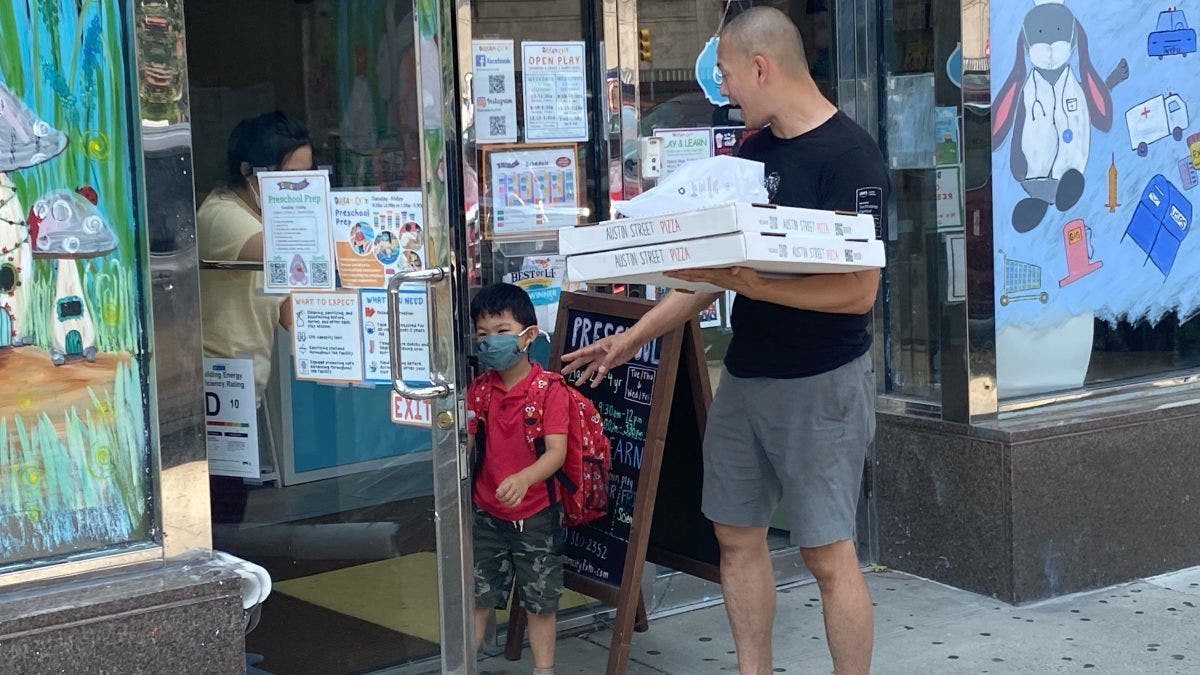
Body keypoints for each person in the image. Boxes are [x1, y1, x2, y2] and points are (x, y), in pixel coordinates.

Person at [561, 8, 887, 675]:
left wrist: (747, 282)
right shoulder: (751, 153)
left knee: (828, 552)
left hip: (823, 380)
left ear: (762, 67)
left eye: (730, 77)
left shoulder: (851, 156)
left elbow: (858, 292)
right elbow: (712, 275)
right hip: (746, 376)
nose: (727, 93)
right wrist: (634, 337)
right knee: (735, 535)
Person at [198, 111, 312, 523]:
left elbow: (289, 309)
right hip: (212, 384)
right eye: (285, 179)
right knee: (219, 508)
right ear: (248, 172)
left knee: (230, 503)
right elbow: (287, 250)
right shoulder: (222, 216)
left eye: (305, 178)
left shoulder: (264, 219)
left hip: (243, 386)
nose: (295, 190)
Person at [467, 283, 569, 675]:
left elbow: (556, 453)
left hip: (536, 515)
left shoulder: (548, 391)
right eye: (483, 334)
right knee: (479, 597)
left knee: (541, 602)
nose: (492, 341)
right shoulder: (479, 391)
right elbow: (468, 441)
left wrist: (525, 478)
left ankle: (544, 670)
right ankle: (466, 665)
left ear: (528, 335)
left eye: (502, 331)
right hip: (487, 513)